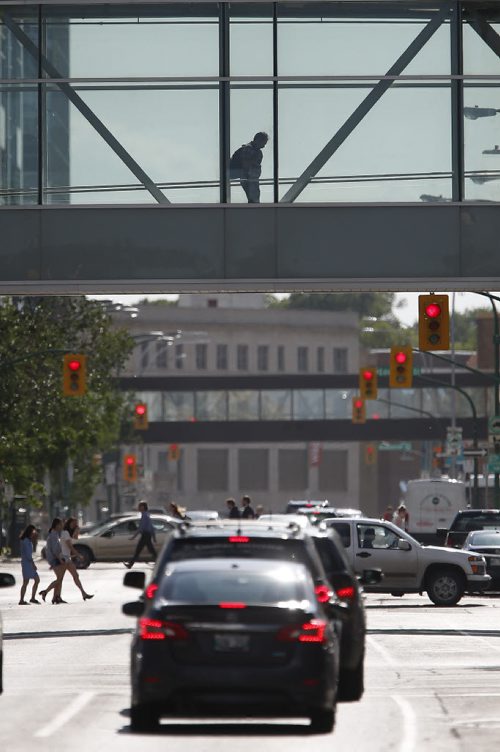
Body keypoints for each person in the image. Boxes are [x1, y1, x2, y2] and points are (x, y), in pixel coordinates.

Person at [229, 131, 269, 203]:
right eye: (263, 143)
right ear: (258, 140)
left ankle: (254, 208)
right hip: (246, 176)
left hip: (248, 176)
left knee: (254, 197)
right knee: (254, 197)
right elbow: (246, 166)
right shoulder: (249, 149)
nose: (264, 146)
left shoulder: (256, 151)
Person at [60, 518, 94, 601]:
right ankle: (49, 593)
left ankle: (83, 593)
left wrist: (77, 530)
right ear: (69, 523)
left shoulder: (68, 533)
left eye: (76, 524)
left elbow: (76, 538)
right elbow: (70, 546)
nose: (75, 525)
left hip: (67, 558)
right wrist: (78, 555)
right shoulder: (65, 533)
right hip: (63, 558)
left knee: (75, 576)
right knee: (59, 579)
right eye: (74, 523)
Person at [39, 518, 66, 604]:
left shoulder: (55, 534)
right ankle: (45, 592)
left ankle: (56, 597)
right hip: (55, 559)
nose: (62, 526)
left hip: (54, 558)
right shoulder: (54, 535)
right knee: (59, 579)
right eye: (61, 524)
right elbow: (55, 551)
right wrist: (60, 560)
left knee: (60, 579)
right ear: (57, 525)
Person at [124, 501, 157, 569]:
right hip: (147, 535)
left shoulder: (145, 515)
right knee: (151, 550)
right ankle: (130, 564)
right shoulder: (146, 514)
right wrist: (153, 536)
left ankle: (130, 564)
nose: (138, 508)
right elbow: (151, 527)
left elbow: (141, 528)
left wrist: (134, 536)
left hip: (145, 535)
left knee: (139, 550)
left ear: (143, 507)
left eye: (140, 506)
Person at [19, 524, 41, 605]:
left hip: (26, 563)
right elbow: (28, 555)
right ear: (30, 532)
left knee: (35, 580)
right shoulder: (26, 541)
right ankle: (22, 600)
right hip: (27, 564)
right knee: (26, 581)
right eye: (33, 532)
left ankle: (32, 598)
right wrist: (33, 564)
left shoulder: (27, 540)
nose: (34, 534)